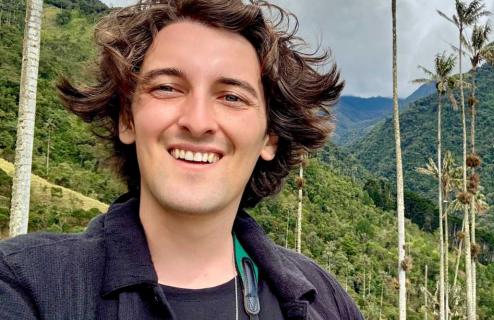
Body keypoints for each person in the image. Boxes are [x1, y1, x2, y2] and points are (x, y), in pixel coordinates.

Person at [0, 0, 362, 319]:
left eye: (232, 97)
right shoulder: (26, 286)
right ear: (128, 119)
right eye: (167, 88)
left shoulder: (324, 301)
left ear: (270, 137)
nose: (198, 121)